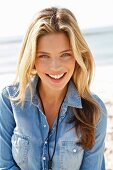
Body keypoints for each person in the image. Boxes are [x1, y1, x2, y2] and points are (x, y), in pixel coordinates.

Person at [0, 7, 107, 170]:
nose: (55, 67)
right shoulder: (9, 100)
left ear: (77, 56)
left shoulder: (95, 111)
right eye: (44, 56)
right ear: (32, 58)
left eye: (65, 54)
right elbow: (4, 166)